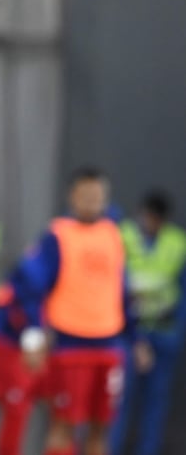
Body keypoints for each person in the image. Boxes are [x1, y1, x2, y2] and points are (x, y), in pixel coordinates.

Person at [8, 167, 149, 455]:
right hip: (69, 345)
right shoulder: (58, 236)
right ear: (72, 197)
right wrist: (34, 334)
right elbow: (30, 287)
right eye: (86, 195)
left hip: (109, 344)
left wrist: (136, 339)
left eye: (98, 195)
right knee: (64, 424)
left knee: (102, 427)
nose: (92, 201)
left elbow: (122, 292)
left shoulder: (113, 235)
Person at [109, 190, 186, 455]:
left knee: (156, 400)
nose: (148, 222)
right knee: (120, 399)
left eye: (154, 218)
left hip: (163, 334)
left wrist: (176, 335)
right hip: (129, 334)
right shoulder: (124, 236)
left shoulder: (177, 244)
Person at [0, 268, 47, 455]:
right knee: (16, 407)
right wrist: (33, 339)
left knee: (54, 407)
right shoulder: (43, 261)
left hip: (22, 345)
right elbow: (25, 301)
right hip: (4, 342)